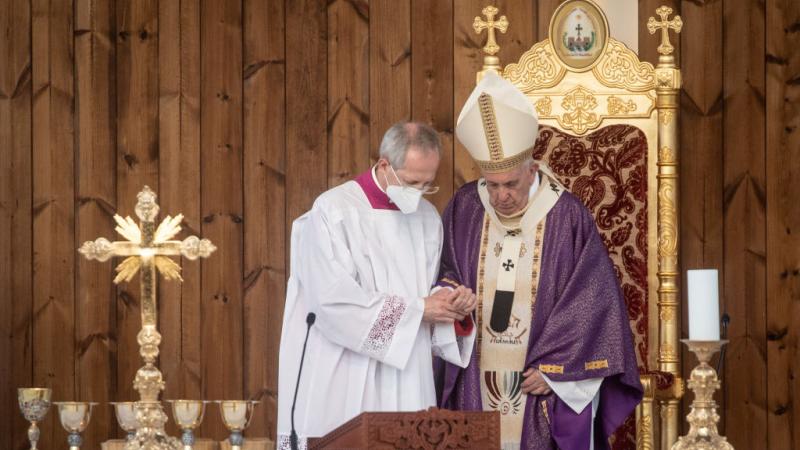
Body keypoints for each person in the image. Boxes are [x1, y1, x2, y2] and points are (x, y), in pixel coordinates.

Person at [435, 72, 642, 450]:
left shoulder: (566, 216)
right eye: (491, 184)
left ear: (532, 169)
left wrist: (558, 373)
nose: (500, 196)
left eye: (510, 184)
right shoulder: (464, 208)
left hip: (539, 383)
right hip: (475, 376)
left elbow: (593, 303)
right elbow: (444, 272)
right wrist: (451, 300)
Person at [276, 122, 477, 449]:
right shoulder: (334, 210)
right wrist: (418, 310)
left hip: (409, 369)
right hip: (347, 367)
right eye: (412, 181)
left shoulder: (426, 217)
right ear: (384, 165)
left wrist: (448, 303)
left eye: (428, 184)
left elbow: (426, 291)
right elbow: (332, 303)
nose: (420, 192)